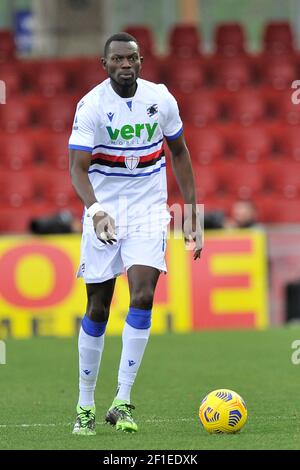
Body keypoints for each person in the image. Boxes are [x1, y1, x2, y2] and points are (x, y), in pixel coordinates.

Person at [68, 32, 202, 435]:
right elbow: (76, 167)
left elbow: (179, 152)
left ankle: (122, 400)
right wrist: (95, 211)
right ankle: (85, 403)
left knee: (143, 295)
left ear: (141, 61)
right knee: (98, 309)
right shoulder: (91, 106)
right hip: (105, 213)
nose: (126, 65)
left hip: (147, 211)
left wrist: (192, 214)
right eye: (118, 60)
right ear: (104, 64)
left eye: (133, 58)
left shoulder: (160, 99)